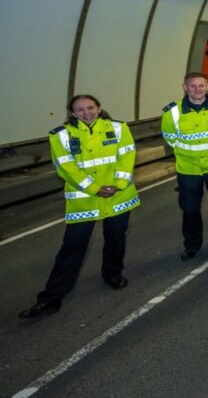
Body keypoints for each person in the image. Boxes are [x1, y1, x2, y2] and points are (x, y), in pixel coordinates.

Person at [19, 95, 141, 318]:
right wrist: (95, 188)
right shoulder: (61, 135)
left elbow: (127, 155)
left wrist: (118, 184)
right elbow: (66, 167)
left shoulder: (119, 128)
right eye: (80, 110)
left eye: (90, 108)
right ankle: (50, 298)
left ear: (99, 108)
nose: (87, 112)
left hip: (118, 196)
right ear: (73, 114)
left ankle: (113, 275)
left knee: (116, 239)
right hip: (83, 200)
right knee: (72, 248)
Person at [162, 72, 208, 261]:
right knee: (190, 209)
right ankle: (192, 245)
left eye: (201, 86)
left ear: (207, 87)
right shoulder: (172, 113)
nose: (197, 89)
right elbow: (170, 139)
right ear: (185, 87)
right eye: (193, 86)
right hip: (189, 170)